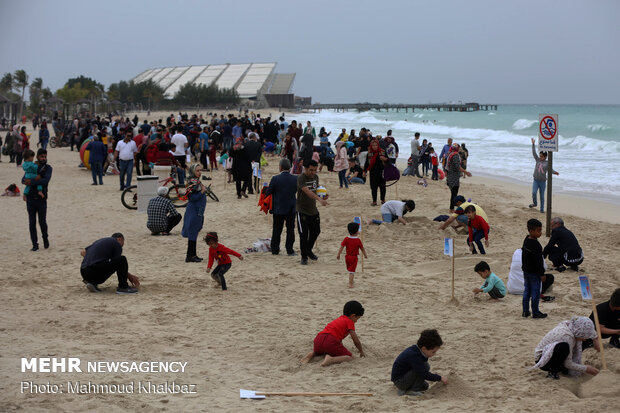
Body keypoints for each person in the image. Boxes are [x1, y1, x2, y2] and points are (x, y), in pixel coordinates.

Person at [300, 300, 365, 367]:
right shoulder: (350, 322)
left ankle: (312, 354)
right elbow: (355, 340)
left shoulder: (339, 319)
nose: (356, 321)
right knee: (351, 358)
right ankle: (331, 359)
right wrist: (361, 351)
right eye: (358, 318)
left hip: (318, 339)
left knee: (322, 351)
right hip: (330, 341)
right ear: (353, 316)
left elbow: (338, 339)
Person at [532, 317, 600, 380]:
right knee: (563, 347)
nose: (584, 339)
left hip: (552, 352)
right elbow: (568, 364)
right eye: (583, 336)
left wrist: (595, 340)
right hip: (543, 360)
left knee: (586, 341)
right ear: (579, 332)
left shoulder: (572, 325)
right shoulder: (567, 336)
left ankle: (562, 368)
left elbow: (589, 330)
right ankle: (553, 371)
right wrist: (586, 368)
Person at [391, 329, 448, 396]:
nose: (434, 354)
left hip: (406, 376)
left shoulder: (417, 350)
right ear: (424, 348)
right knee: (424, 367)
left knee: (425, 386)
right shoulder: (414, 355)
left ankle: (408, 388)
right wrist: (440, 378)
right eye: (433, 352)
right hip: (400, 381)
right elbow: (424, 374)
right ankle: (411, 390)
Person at [297, 160, 328, 265]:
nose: (313, 172)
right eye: (311, 170)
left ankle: (308, 250)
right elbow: (307, 191)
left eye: (315, 170)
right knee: (303, 234)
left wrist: (324, 195)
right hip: (302, 210)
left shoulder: (315, 177)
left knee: (316, 231)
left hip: (313, 210)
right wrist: (319, 199)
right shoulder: (301, 178)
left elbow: (316, 188)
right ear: (305, 168)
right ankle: (304, 256)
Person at [265, 158, 298, 256]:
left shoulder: (275, 178)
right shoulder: (295, 178)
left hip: (278, 208)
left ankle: (275, 250)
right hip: (291, 207)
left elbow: (268, 192)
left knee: (277, 230)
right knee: (290, 230)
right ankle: (290, 250)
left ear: (280, 167)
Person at [22, 148, 52, 251]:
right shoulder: (32, 166)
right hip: (30, 199)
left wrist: (31, 182)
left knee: (42, 221)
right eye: (42, 156)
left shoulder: (48, 168)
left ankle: (45, 239)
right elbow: (23, 179)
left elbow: (45, 180)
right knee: (31, 223)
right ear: (37, 157)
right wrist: (34, 180)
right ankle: (35, 244)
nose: (44, 158)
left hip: (41, 199)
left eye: (45, 156)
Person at [522, 219, 547, 319]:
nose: (540, 233)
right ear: (531, 231)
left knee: (527, 291)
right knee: (535, 293)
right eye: (538, 231)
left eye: (541, 230)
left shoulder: (526, 240)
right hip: (534, 273)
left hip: (526, 271)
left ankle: (525, 311)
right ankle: (535, 312)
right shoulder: (536, 245)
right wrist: (542, 274)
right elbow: (539, 261)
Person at [182, 164, 207, 262]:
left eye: (200, 170)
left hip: (198, 210)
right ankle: (190, 256)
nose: (199, 172)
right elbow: (192, 198)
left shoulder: (196, 181)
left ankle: (193, 255)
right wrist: (202, 192)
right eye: (197, 171)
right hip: (194, 211)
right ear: (193, 171)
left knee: (195, 232)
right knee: (192, 232)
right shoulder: (193, 183)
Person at [529, 138, 559, 213]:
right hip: (536, 180)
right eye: (540, 156)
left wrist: (555, 172)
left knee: (542, 197)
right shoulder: (538, 160)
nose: (540, 157)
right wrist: (533, 144)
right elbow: (534, 153)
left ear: (545, 157)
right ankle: (535, 203)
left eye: (542, 156)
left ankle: (542, 210)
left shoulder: (547, 163)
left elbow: (550, 170)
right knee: (534, 193)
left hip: (542, 182)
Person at [336, 222, 368, 288]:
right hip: (354, 257)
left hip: (347, 257)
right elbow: (362, 248)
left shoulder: (346, 239)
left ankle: (351, 281)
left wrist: (338, 254)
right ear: (357, 232)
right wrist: (365, 255)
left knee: (349, 269)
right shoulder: (358, 240)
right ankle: (350, 284)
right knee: (352, 272)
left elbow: (341, 247)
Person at [445, 143, 472, 211]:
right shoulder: (455, 155)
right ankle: (452, 208)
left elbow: (447, 166)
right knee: (454, 193)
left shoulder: (450, 154)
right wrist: (466, 172)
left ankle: (452, 208)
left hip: (450, 176)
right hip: (454, 177)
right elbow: (458, 167)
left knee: (453, 193)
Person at [363, 139, 388, 206]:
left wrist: (385, 159)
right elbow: (366, 164)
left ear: (378, 145)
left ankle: (383, 200)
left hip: (382, 172)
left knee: (383, 187)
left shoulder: (383, 152)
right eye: (373, 145)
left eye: (376, 145)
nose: (374, 146)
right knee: (373, 187)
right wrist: (364, 171)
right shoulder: (369, 153)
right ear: (371, 146)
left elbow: (388, 161)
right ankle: (374, 201)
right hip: (373, 173)